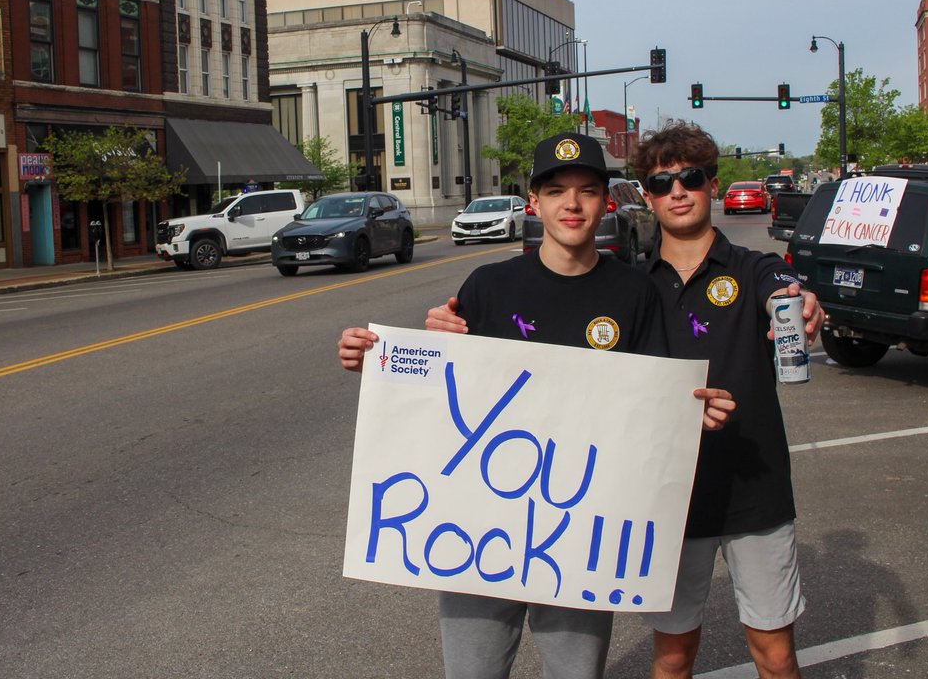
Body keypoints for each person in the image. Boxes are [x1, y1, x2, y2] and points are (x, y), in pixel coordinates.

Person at [426, 123, 823, 679]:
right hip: (633, 503)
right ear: (534, 202)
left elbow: (779, 289)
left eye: (691, 179)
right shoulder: (624, 283)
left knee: (774, 656)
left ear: (712, 184)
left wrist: (799, 301)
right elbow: (449, 382)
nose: (677, 192)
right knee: (671, 656)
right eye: (661, 183)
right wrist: (396, 352)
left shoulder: (735, 272)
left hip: (737, 493)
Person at [338, 132, 735, 679]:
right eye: (555, 191)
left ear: (606, 201)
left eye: (587, 191)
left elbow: (654, 405)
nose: (572, 204)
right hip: (476, 531)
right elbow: (440, 393)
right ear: (534, 202)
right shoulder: (488, 285)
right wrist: (377, 360)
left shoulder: (634, 293)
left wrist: (694, 414)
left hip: (577, 535)